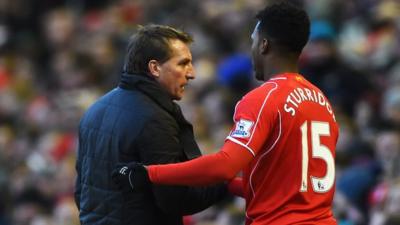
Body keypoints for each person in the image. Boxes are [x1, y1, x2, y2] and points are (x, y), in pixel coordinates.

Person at [113, 2, 339, 225]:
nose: (251, 49)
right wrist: (228, 184)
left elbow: (226, 165)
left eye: (252, 41)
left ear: (264, 45)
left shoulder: (264, 98)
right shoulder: (322, 103)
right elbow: (286, 191)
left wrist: (148, 173)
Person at [75, 24, 229, 225]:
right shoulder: (154, 119)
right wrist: (225, 181)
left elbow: (81, 192)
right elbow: (174, 199)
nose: (192, 74)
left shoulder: (94, 111)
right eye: (183, 64)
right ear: (155, 68)